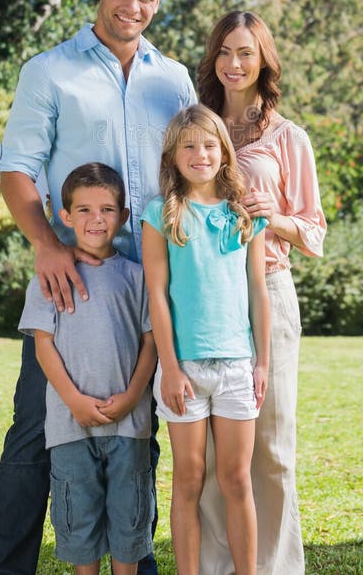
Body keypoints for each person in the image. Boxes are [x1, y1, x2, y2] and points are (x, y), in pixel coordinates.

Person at [0, 0, 196, 575]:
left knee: (142, 435)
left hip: (153, 284)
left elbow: (190, 167)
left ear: (158, 3)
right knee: (35, 433)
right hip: (72, 281)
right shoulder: (50, 71)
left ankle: (136, 560)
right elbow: (16, 167)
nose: (133, 6)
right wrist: (47, 244)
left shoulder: (173, 79)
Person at [196, 11, 327, 575]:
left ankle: (275, 568)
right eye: (224, 52)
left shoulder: (287, 137)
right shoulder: (197, 131)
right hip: (203, 296)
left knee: (270, 449)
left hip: (268, 294)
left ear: (263, 60)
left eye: (245, 52)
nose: (234, 63)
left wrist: (275, 217)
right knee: (206, 457)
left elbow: (314, 231)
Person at [141, 104, 271, 575]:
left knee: (237, 480)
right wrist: (170, 368)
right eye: (189, 146)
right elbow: (156, 295)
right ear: (173, 155)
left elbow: (259, 292)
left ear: (224, 152)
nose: (201, 154)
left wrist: (262, 364)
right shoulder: (161, 214)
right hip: (185, 371)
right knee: (189, 479)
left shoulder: (245, 215)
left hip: (238, 366)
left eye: (210, 145)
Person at [18, 162, 157, 575]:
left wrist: (133, 397)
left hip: (129, 426)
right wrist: (75, 401)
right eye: (84, 210)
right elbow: (44, 346)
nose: (96, 219)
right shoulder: (49, 277)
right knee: (79, 524)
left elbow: (152, 343)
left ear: (124, 216)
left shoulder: (138, 277)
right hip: (70, 424)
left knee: (130, 521)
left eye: (108, 209)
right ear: (64, 216)